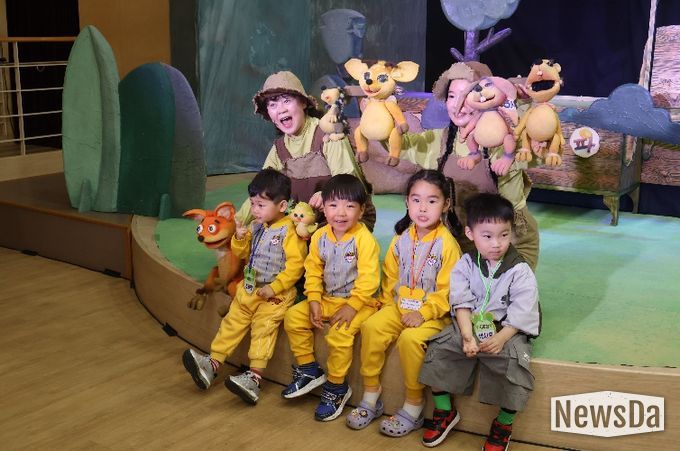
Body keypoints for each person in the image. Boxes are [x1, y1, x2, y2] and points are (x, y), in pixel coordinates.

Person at [418, 193, 540, 450]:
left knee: (514, 365)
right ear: (470, 233)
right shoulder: (465, 263)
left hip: (508, 328)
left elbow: (522, 310)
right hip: (469, 323)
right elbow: (461, 301)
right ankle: (445, 411)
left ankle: (503, 424)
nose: (497, 244)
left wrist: (501, 338)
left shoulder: (520, 270)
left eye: (504, 235)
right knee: (439, 350)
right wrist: (466, 335)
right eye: (487, 236)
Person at [345, 169, 462, 437]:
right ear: (407, 202)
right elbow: (390, 277)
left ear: (446, 205)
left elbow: (449, 291)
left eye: (432, 201)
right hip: (399, 308)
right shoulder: (402, 238)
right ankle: (371, 395)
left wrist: (424, 313)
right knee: (372, 326)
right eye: (416, 200)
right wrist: (388, 304)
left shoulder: (447, 245)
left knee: (410, 340)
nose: (423, 208)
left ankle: (413, 404)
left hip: (434, 315)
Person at [182, 168, 308, 405]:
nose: (255, 210)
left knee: (263, 329)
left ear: (282, 206)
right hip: (250, 289)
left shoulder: (289, 231)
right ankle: (212, 363)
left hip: (275, 294)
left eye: (261, 205)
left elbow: (296, 266)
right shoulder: (257, 227)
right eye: (252, 204)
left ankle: (254, 378)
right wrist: (240, 238)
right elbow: (242, 255)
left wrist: (275, 287)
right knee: (232, 321)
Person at [398, 62, 539, 270]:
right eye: (452, 96)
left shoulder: (504, 141)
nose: (458, 105)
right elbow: (400, 145)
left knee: (502, 290)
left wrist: (525, 105)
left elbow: (535, 145)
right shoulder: (441, 141)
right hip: (459, 239)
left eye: (467, 95)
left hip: (506, 243)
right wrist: (380, 114)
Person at [281, 174, 381, 421]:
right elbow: (313, 270)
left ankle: (337, 387)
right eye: (334, 205)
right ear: (323, 209)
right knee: (293, 317)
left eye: (350, 206)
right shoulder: (319, 236)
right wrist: (314, 300)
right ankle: (309, 369)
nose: (341, 213)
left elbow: (369, 280)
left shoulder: (365, 240)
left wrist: (352, 306)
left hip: (360, 303)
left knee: (339, 335)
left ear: (361, 210)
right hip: (327, 299)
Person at [236, 70, 376, 231]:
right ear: (269, 114)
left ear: (303, 103)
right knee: (255, 233)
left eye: (286, 101)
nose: (280, 110)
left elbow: (349, 182)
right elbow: (261, 192)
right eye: (273, 105)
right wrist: (236, 222)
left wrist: (327, 194)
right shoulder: (279, 149)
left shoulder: (328, 134)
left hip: (345, 219)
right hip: (305, 222)